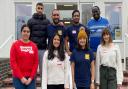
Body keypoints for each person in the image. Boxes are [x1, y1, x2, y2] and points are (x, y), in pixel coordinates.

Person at [10, 24, 38, 89]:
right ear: (21, 32)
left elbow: (36, 63)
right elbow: (13, 63)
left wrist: (31, 78)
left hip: (31, 78)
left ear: (30, 33)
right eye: (24, 31)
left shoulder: (34, 46)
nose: (26, 33)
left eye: (28, 32)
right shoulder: (15, 45)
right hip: (18, 77)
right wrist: (21, 77)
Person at [27, 2, 50, 79]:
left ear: (43, 9)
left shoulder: (47, 22)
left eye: (41, 8)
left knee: (43, 71)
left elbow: (50, 35)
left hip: (43, 49)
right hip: (32, 50)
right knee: (31, 70)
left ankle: (42, 86)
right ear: (36, 9)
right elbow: (27, 35)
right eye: (38, 8)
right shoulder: (30, 21)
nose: (40, 10)